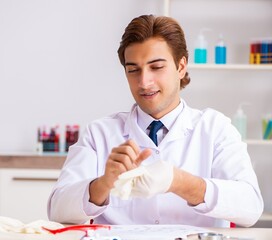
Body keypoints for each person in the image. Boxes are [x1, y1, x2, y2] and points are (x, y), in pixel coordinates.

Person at [47, 14, 263, 227]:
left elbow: (250, 207)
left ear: (181, 67)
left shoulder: (215, 128)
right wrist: (103, 183)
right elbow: (57, 210)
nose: (144, 82)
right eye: (133, 70)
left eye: (156, 67)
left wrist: (178, 181)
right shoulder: (99, 133)